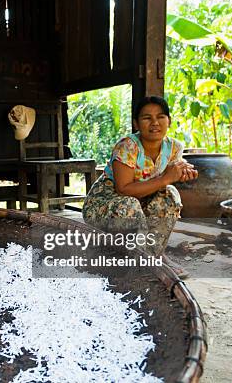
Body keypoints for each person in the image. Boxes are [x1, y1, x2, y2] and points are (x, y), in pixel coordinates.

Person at [82, 96, 198, 277]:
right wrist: (167, 177)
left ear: (169, 121)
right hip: (106, 204)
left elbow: (168, 177)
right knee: (129, 206)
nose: (154, 123)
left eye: (160, 117)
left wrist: (182, 173)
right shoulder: (127, 146)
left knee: (170, 196)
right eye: (146, 118)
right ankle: (128, 261)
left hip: (141, 200)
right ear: (136, 123)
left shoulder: (174, 147)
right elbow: (123, 189)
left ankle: (154, 256)